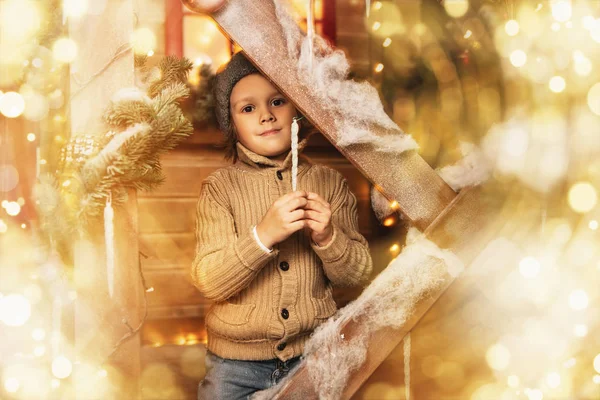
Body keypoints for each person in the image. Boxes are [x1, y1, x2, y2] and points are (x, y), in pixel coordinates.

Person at [193, 52, 373, 400]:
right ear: (231, 125)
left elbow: (358, 275)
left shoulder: (330, 182)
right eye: (248, 108)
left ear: (298, 110)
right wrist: (263, 235)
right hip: (235, 366)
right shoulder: (220, 188)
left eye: (277, 101)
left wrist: (327, 237)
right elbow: (209, 280)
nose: (266, 115)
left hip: (314, 354)